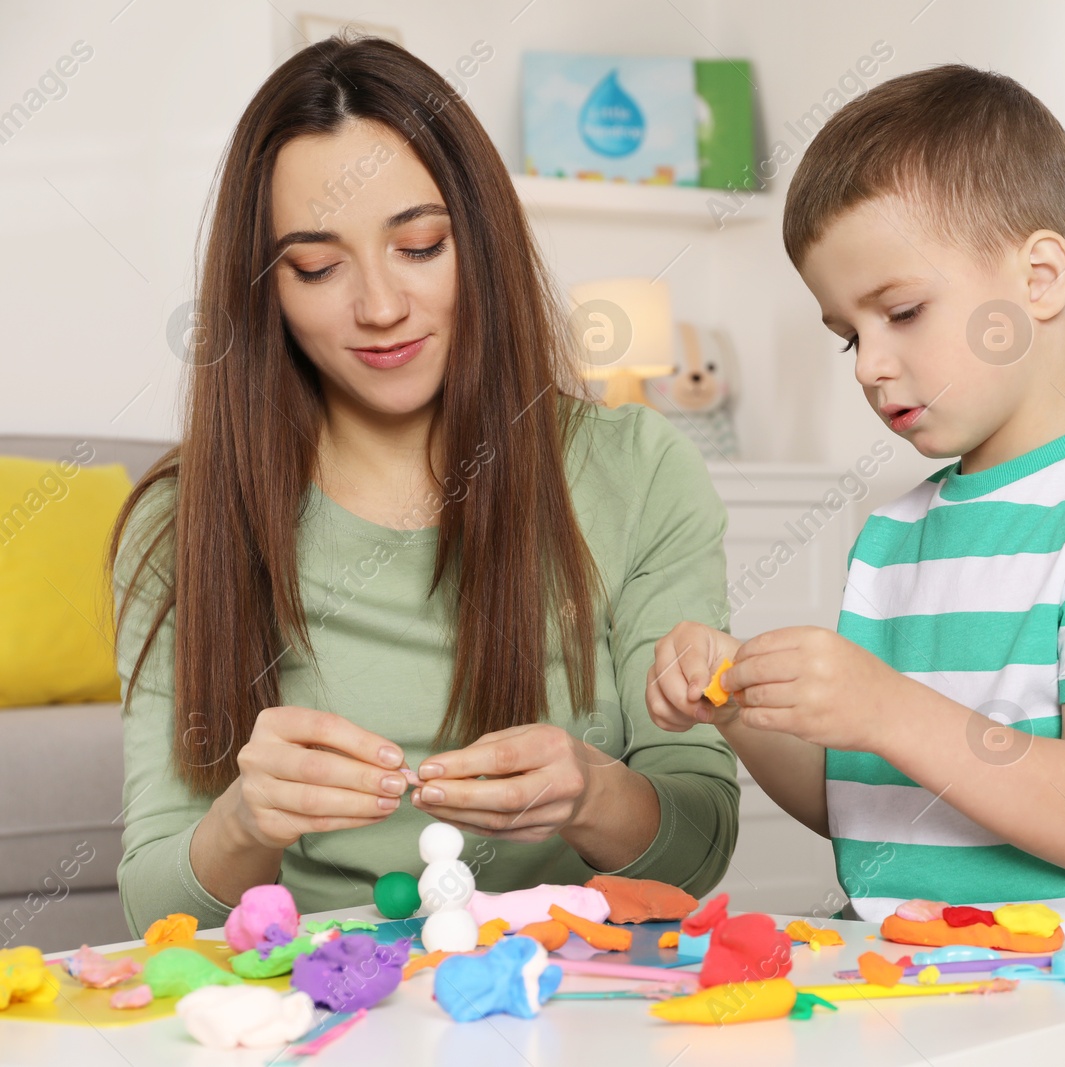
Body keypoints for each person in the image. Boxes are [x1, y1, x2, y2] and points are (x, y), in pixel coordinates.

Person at [110, 36, 737, 939]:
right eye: (317, 267)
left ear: (477, 242)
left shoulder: (636, 470)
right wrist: (244, 820)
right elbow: (152, 909)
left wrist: (591, 791)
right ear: (264, 290)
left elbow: (697, 853)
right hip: (310, 1003)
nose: (379, 306)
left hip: (561, 988)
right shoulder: (184, 521)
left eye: (420, 246)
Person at [647, 64, 1065, 947]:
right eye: (850, 333)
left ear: (1040, 280)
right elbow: (857, 804)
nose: (868, 365)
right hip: (903, 973)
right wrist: (737, 703)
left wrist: (885, 706)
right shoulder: (894, 538)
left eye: (903, 311)